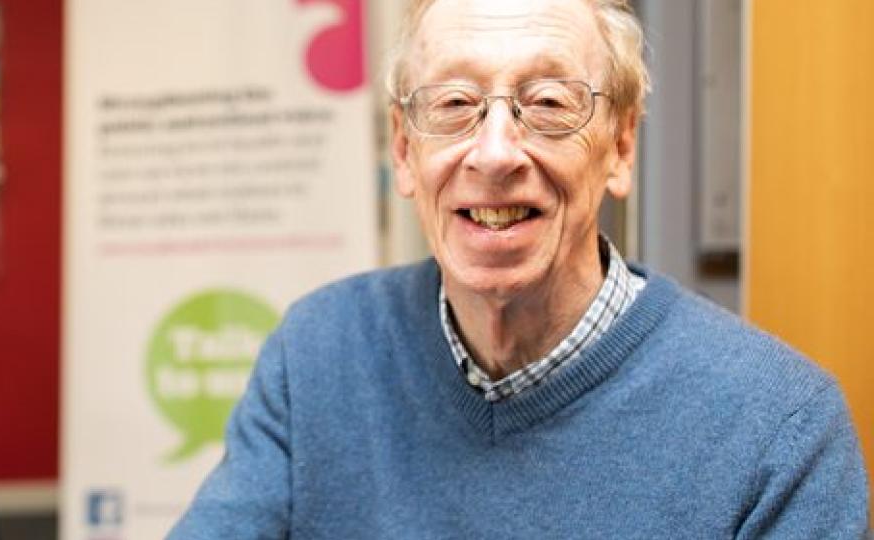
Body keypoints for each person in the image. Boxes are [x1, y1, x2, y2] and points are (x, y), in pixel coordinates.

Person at [171, 0, 868, 538]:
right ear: (405, 152)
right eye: (452, 105)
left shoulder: (781, 429)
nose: (496, 153)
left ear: (621, 146)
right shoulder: (317, 354)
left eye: (548, 105)